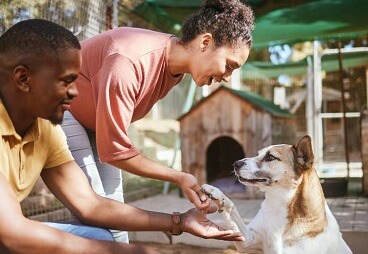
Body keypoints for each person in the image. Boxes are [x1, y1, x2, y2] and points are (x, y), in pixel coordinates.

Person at [0, 19, 244, 254]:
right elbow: (13, 234)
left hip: (90, 128)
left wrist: (180, 222)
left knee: (103, 235)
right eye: (67, 81)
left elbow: (90, 205)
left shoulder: (45, 130)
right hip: (9, 233)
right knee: (108, 242)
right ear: (23, 78)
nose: (76, 92)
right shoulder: (128, 59)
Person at [63, 0, 255, 242]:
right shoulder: (129, 60)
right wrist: (178, 176)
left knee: (113, 217)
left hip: (92, 124)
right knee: (95, 216)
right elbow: (115, 151)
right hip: (61, 110)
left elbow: (112, 147)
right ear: (205, 42)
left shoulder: (174, 70)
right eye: (229, 66)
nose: (227, 77)